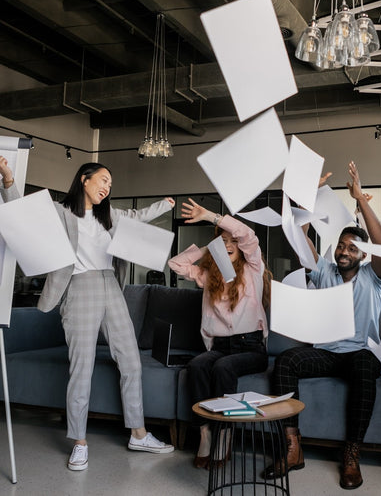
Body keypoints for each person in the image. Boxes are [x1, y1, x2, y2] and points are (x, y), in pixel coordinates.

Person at [0, 158, 175, 471]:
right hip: (80, 289)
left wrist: (164, 204)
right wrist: (8, 179)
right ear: (84, 179)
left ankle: (138, 433)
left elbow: (138, 216)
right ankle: (79, 442)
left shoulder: (111, 217)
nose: (108, 187)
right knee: (82, 367)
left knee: (131, 361)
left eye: (111, 184)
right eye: (104, 180)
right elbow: (23, 215)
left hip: (111, 287)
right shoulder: (60, 212)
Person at [264, 161, 381, 490]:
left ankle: (351, 454)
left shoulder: (374, 277)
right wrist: (306, 198)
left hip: (359, 353)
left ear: (363, 255)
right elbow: (299, 237)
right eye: (341, 245)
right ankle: (293, 447)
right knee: (286, 361)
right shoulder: (324, 271)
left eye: (353, 248)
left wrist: (360, 199)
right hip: (325, 353)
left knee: (366, 363)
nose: (344, 251)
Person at [168, 198, 270, 469]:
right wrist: (207, 249)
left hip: (251, 348)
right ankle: (204, 432)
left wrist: (212, 217)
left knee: (224, 367)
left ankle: (225, 433)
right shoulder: (207, 276)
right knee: (197, 365)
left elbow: (248, 235)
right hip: (219, 347)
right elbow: (175, 264)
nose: (228, 245)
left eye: (232, 241)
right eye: (222, 242)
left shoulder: (253, 269)